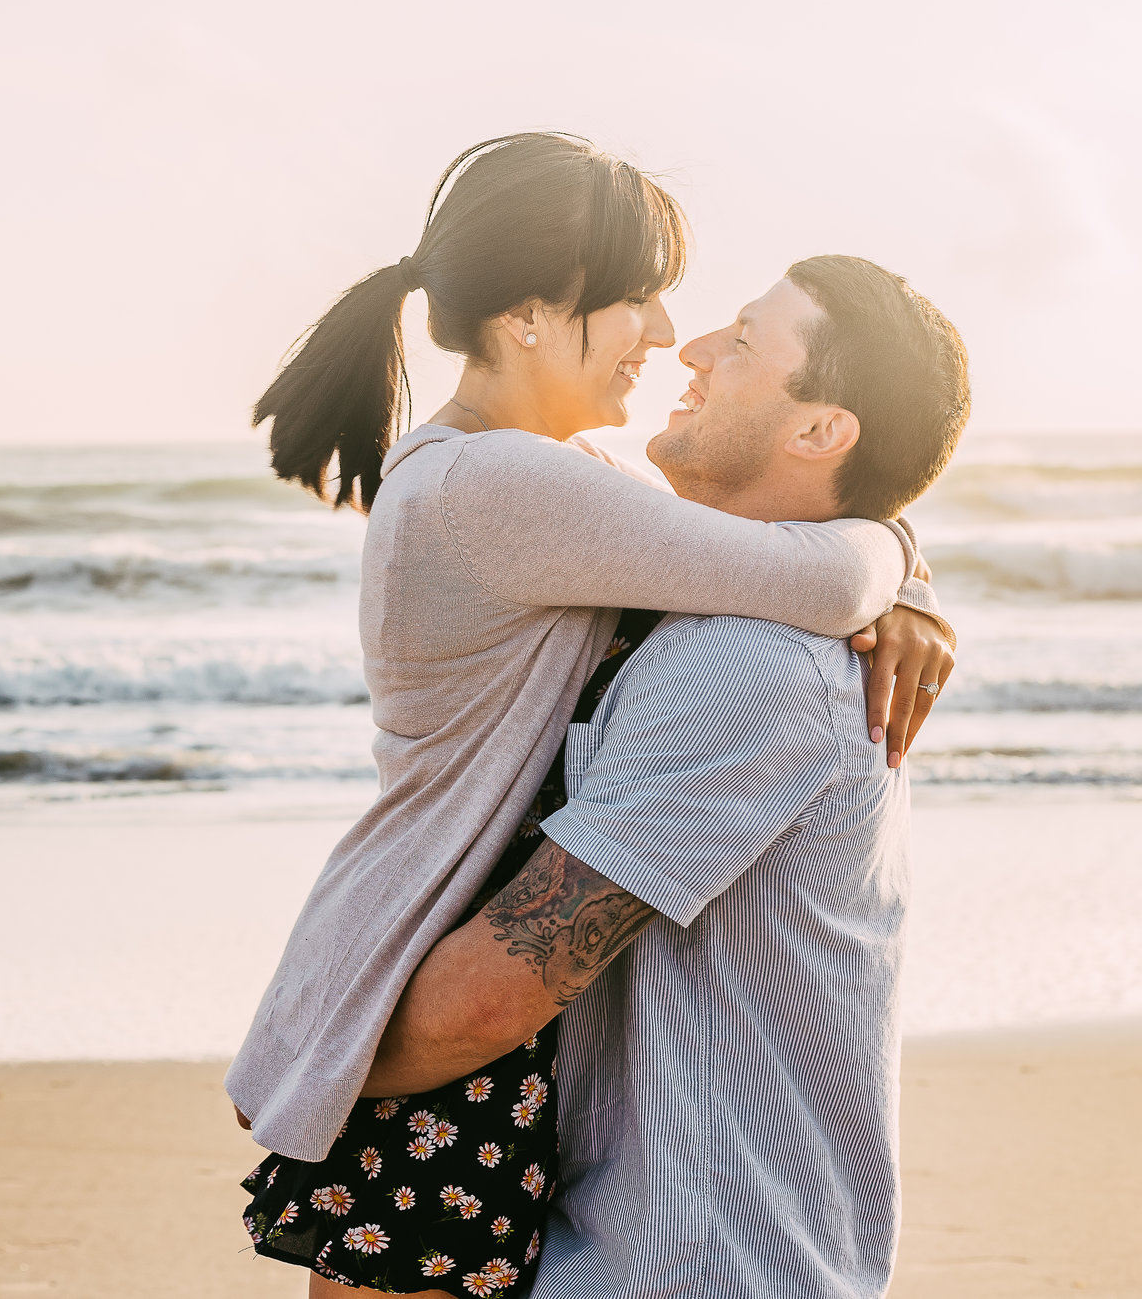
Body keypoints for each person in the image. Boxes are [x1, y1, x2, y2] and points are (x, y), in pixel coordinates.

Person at [228, 136, 954, 1297]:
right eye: (637, 299)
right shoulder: (499, 484)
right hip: (433, 964)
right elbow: (812, 577)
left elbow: (760, 568)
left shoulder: (548, 497)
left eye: (738, 337)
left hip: (456, 985)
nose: (674, 336)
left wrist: (902, 570)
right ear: (528, 316)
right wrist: (892, 554)